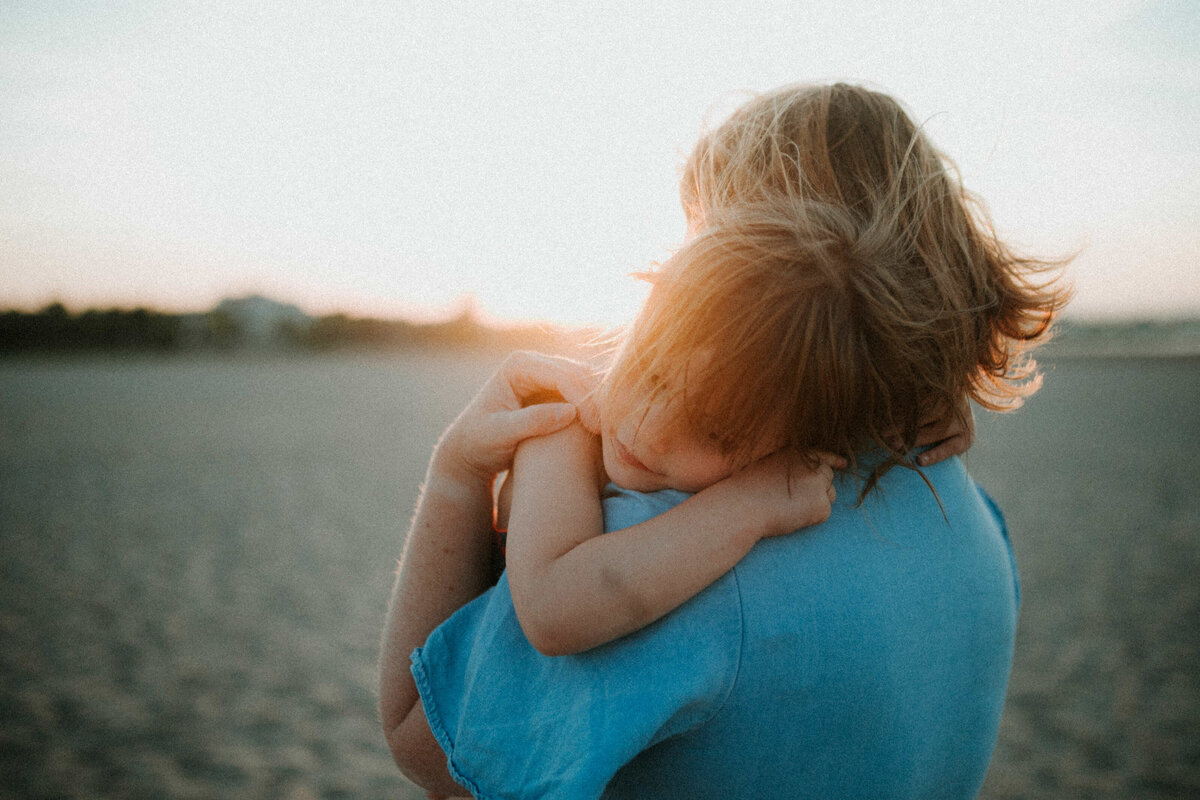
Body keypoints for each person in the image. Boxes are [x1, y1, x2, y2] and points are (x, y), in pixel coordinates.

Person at [380, 82, 1070, 798]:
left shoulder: (667, 556)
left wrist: (457, 476)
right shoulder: (972, 518)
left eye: (707, 231)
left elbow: (419, 739)